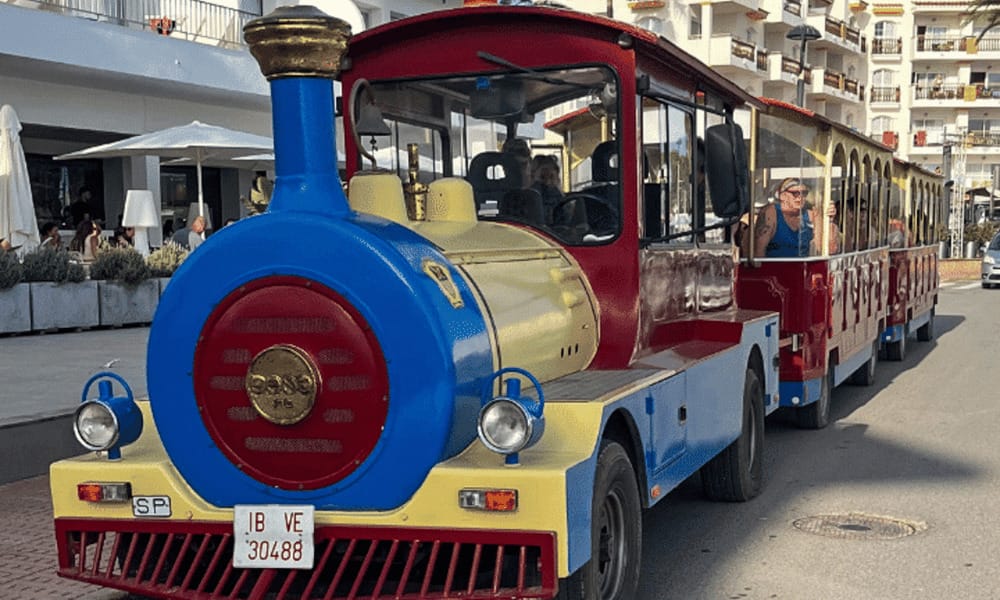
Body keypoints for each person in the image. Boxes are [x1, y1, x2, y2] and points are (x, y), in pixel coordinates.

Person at [753, 178, 838, 257]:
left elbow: (830, 250)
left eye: (804, 193)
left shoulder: (811, 215)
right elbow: (758, 252)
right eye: (795, 193)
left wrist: (829, 221)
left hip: (801, 269)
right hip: (775, 268)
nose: (800, 197)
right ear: (783, 196)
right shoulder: (771, 213)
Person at [530, 154, 564, 223]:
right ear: (533, 177)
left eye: (551, 177)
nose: (547, 182)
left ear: (557, 178)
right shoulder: (529, 199)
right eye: (542, 177)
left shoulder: (564, 201)